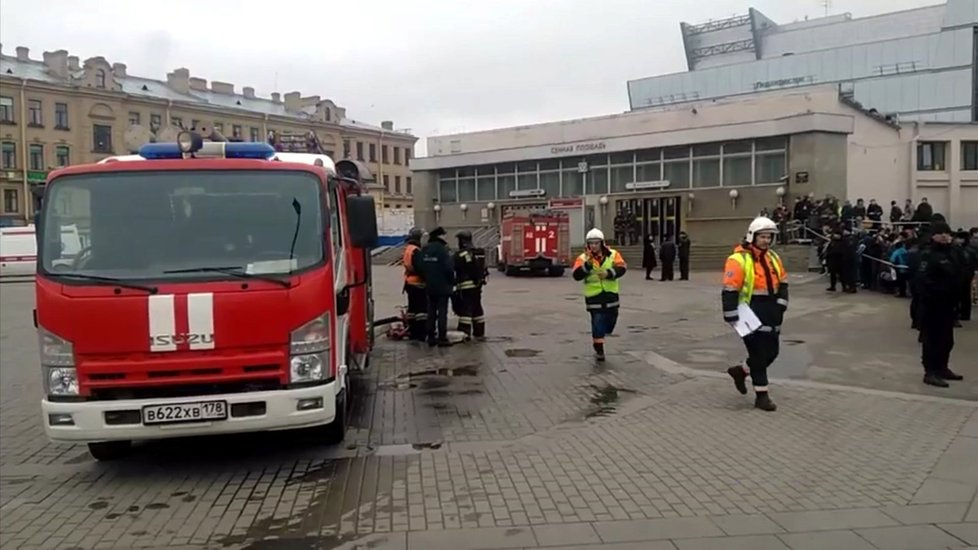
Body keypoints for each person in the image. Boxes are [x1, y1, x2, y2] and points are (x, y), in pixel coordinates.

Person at [722, 217, 789, 412]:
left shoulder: (774, 257)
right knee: (758, 354)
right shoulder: (738, 259)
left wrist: (781, 304)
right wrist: (731, 313)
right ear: (753, 236)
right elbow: (730, 288)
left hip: (771, 310)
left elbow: (783, 282)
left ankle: (741, 371)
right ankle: (762, 395)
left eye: (769, 237)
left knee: (772, 352)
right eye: (763, 236)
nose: (766, 240)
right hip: (748, 311)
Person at [915, 222, 963, 387]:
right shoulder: (928, 255)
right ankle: (930, 372)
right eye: (940, 233)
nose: (944, 236)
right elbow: (922, 280)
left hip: (948, 305)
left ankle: (942, 368)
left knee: (947, 340)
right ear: (933, 236)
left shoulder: (954, 254)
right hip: (932, 305)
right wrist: (932, 296)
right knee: (931, 340)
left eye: (947, 233)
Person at [572, 228, 627, 362]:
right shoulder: (583, 258)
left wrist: (609, 273)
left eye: (596, 243)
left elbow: (622, 268)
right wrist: (587, 267)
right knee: (597, 323)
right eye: (591, 243)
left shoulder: (613, 254)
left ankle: (605, 332)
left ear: (602, 243)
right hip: (594, 297)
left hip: (611, 296)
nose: (594, 246)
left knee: (610, 322)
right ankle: (599, 350)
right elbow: (576, 275)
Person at [415, 226, 455, 347]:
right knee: (442, 312)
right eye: (444, 234)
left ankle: (431, 337)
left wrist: (427, 278)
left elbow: (420, 266)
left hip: (430, 286)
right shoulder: (443, 250)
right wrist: (451, 281)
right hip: (443, 286)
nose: (445, 237)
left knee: (431, 312)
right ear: (440, 236)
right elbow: (449, 268)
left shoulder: (425, 249)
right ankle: (442, 338)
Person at [453, 230, 489, 340]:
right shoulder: (478, 252)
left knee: (465, 311)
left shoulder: (460, 255)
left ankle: (464, 332)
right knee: (477, 308)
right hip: (477, 286)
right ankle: (479, 331)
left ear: (462, 241)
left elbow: (453, 268)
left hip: (465, 287)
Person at [401, 228, 427, 340]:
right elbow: (421, 268)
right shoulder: (416, 250)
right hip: (418, 283)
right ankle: (420, 333)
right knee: (421, 310)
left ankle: (412, 331)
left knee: (412, 309)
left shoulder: (408, 249)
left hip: (409, 282)